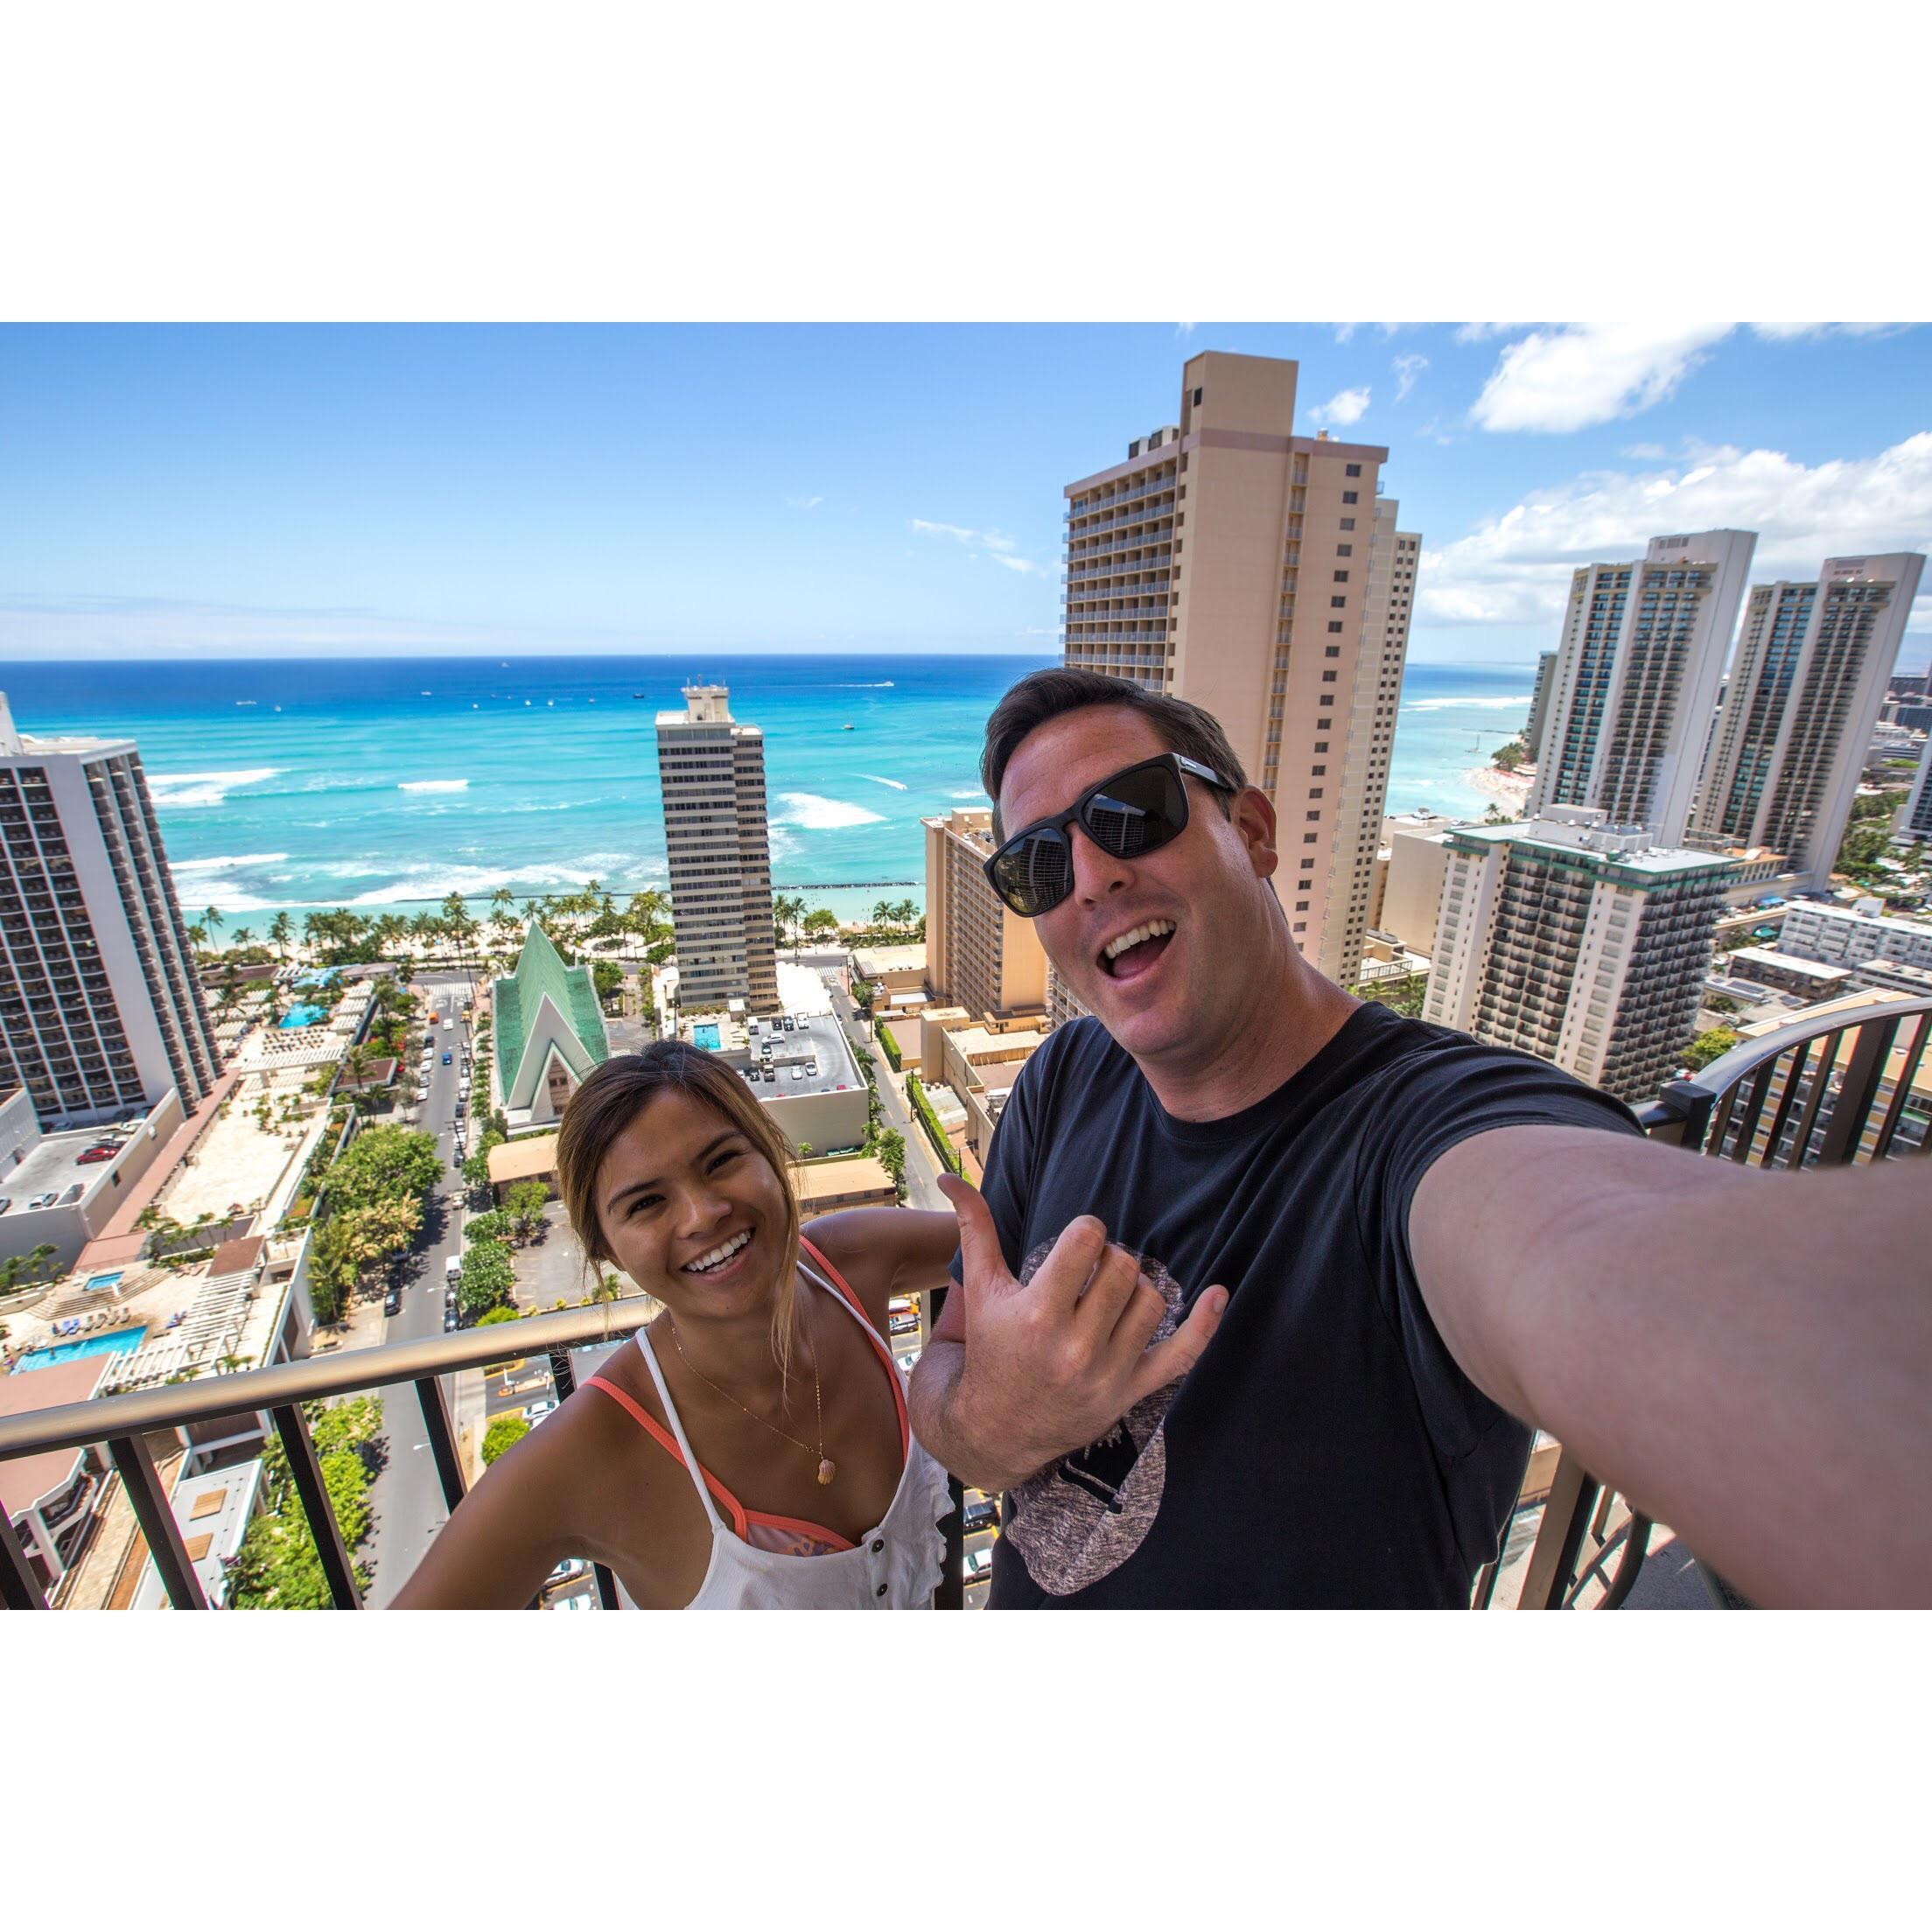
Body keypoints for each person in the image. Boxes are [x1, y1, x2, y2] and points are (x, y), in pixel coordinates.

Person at [906, 668, 1931, 1609]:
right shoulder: (1062, 1081)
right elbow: (944, 1385)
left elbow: (1601, 1246)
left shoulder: (1428, 1134)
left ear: (1254, 832)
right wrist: (1000, 1422)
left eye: (1131, 815)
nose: (1089, 878)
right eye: (1038, 866)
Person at [397, 1042, 958, 1608]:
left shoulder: (853, 1263)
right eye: (646, 1204)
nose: (701, 1215)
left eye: (721, 1162)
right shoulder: (593, 1447)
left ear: (770, 1154)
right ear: (608, 1251)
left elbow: (1019, 1243)